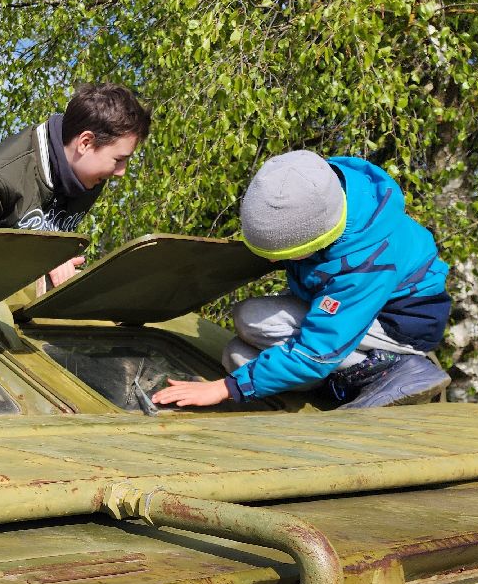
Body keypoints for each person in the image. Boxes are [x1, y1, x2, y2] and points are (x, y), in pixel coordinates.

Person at [153, 149, 452, 410]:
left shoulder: (364, 263)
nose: (272, 261)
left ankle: (395, 369)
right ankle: (339, 384)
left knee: (255, 321)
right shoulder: (317, 190)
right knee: (237, 356)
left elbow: (318, 350)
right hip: (351, 313)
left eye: (285, 253)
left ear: (319, 237)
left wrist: (223, 390)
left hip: (399, 323)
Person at [0, 82, 151, 286]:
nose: (121, 172)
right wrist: (39, 262)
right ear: (85, 143)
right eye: (119, 160)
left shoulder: (89, 177)